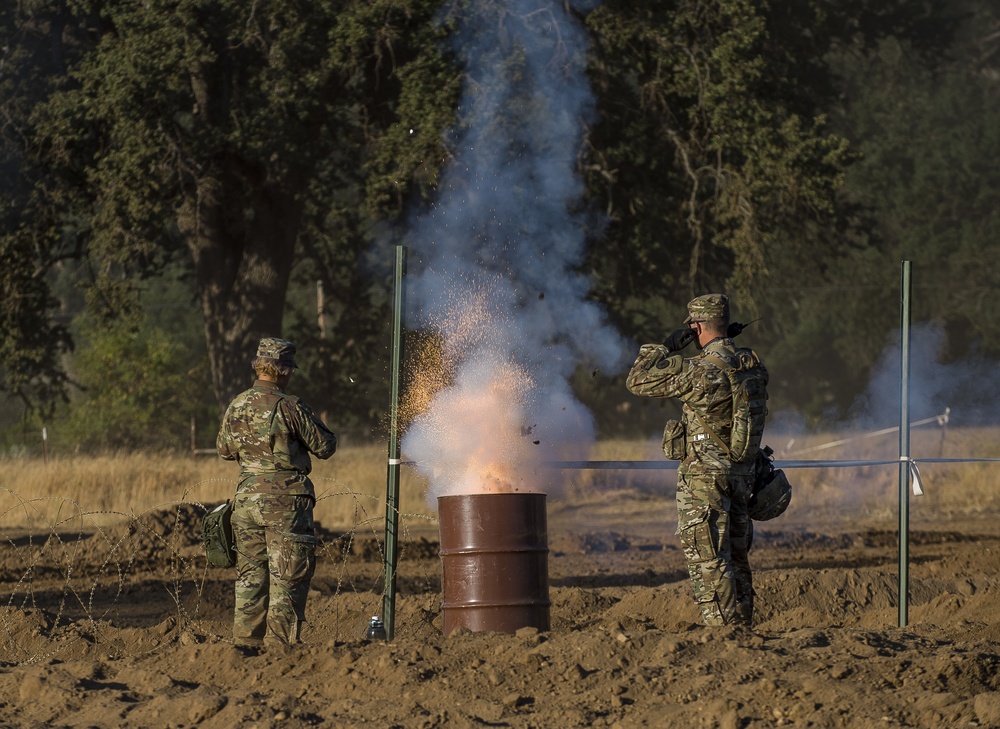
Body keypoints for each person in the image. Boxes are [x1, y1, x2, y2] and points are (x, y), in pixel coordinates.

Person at [626, 294, 765, 626]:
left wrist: (664, 347)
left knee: (710, 561)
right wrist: (723, 341)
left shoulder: (700, 371)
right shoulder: (752, 364)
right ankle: (742, 630)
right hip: (741, 475)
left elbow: (637, 380)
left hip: (705, 480)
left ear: (695, 326)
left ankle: (723, 636)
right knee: (736, 557)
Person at [217, 337, 337, 647]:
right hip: (285, 501)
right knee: (288, 576)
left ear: (259, 367)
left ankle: (245, 647)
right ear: (283, 370)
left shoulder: (237, 405)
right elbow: (325, 446)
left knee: (249, 578)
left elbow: (224, 450)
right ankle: (279, 651)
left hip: (245, 500)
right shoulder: (290, 405)